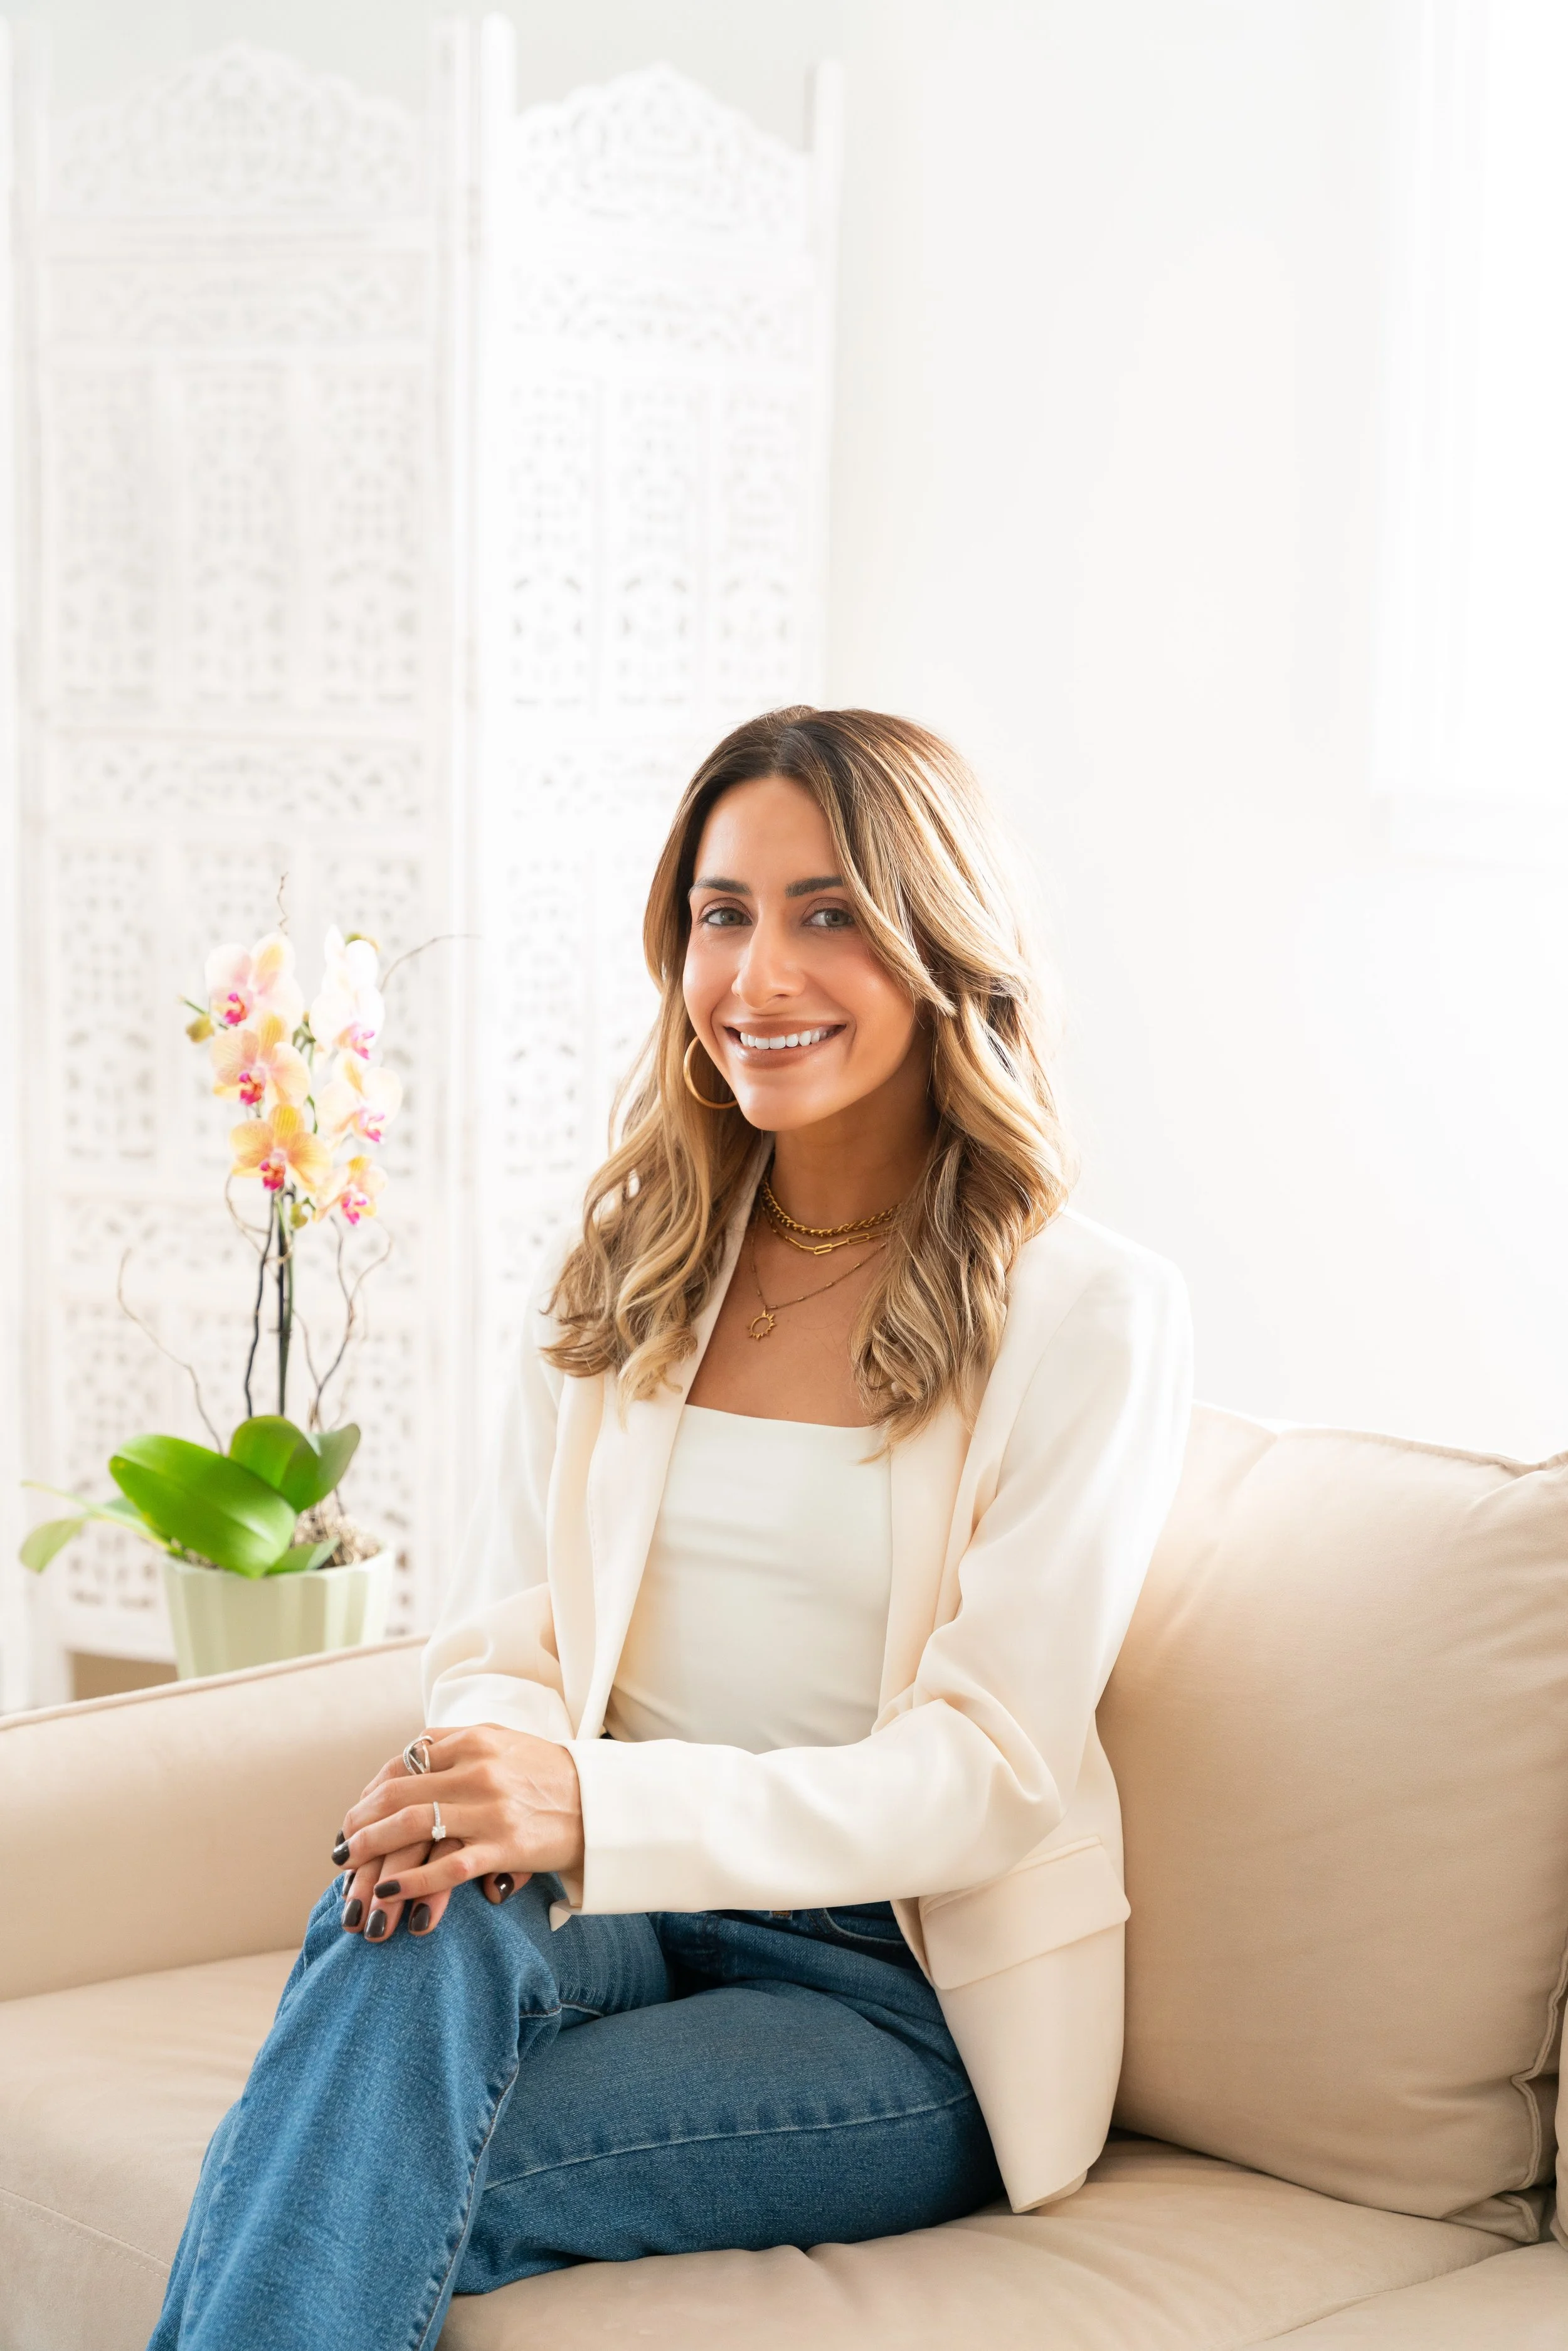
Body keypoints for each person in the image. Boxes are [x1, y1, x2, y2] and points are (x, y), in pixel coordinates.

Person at [149, 707, 1192, 2350]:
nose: (757, 977)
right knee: (403, 1910)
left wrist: (591, 1796)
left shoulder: (1087, 1312)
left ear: (940, 945)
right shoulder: (631, 1258)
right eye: (721, 913)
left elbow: (987, 1771)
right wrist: (484, 1783)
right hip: (596, 1898)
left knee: (331, 2163)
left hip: (883, 1991)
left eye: (827, 911)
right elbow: (506, 1642)